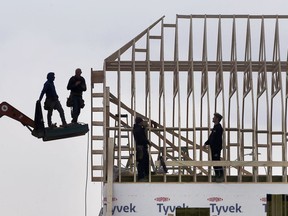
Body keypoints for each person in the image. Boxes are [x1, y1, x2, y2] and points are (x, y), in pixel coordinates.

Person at [204, 112, 224, 182]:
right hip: (213, 148)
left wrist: (216, 147)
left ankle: (220, 175)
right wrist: (206, 143)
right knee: (214, 162)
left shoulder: (219, 128)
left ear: (217, 119)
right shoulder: (215, 127)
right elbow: (211, 138)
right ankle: (217, 175)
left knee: (217, 161)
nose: (213, 118)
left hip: (216, 148)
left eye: (214, 117)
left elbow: (217, 139)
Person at [132, 117, 150, 182]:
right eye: (142, 122)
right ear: (140, 122)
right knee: (142, 161)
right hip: (141, 147)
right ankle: (142, 177)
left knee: (144, 161)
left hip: (140, 147)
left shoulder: (137, 128)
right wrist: (148, 142)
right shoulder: (138, 129)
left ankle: (146, 174)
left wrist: (144, 128)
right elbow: (142, 138)